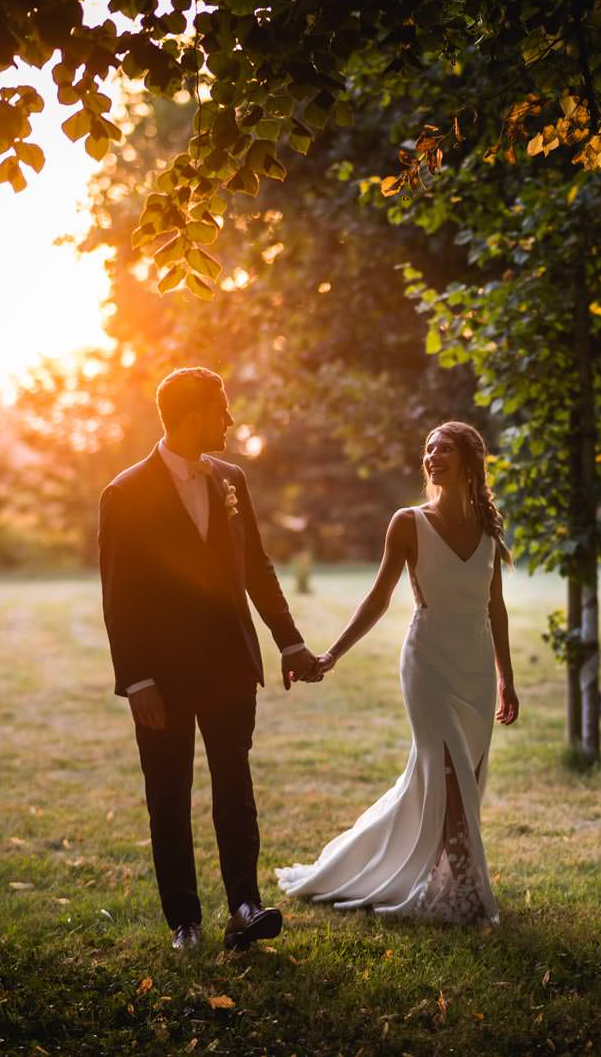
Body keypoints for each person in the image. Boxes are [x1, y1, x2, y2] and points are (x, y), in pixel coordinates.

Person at [98, 366, 323, 951]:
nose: (229, 419)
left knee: (235, 787)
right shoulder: (124, 493)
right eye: (221, 408)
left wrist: (289, 641)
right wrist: (137, 679)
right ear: (193, 414)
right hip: (162, 676)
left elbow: (256, 567)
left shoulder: (231, 479)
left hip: (229, 664)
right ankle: (185, 922)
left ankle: (244, 907)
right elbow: (119, 597)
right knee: (168, 796)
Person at [276, 421, 520, 923]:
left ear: (469, 460)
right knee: (449, 773)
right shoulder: (408, 523)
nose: (432, 457)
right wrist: (332, 655)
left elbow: (495, 607)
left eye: (444, 448)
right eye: (428, 449)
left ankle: (424, 874)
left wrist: (506, 677)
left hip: (474, 668)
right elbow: (379, 598)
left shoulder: (488, 528)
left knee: (465, 778)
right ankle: (466, 891)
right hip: (427, 665)